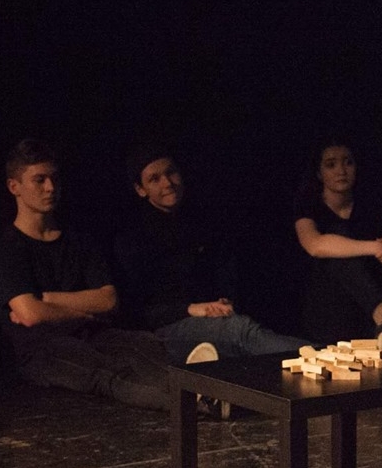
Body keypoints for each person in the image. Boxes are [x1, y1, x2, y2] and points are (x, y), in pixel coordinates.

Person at [0, 139, 202, 412]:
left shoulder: (78, 240)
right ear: (14, 187)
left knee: (147, 346)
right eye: (39, 180)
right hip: (43, 347)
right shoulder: (7, 248)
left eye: (54, 179)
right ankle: (197, 405)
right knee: (105, 371)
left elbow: (108, 300)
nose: (50, 187)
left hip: (94, 333)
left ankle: (207, 391)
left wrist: (48, 300)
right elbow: (30, 315)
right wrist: (82, 312)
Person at [112, 144, 310, 364]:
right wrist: (190, 309)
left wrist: (221, 301)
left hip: (209, 319)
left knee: (255, 317)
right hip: (163, 331)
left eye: (171, 172)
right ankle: (323, 358)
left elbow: (222, 273)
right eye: (154, 179)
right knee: (240, 331)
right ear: (141, 189)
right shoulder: (133, 238)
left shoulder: (201, 222)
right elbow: (135, 310)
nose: (167, 183)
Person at [291, 141, 382, 356]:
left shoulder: (367, 202)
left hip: (372, 294)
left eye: (348, 163)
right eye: (331, 165)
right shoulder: (309, 205)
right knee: (337, 244)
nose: (341, 171)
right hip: (333, 306)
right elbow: (315, 245)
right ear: (319, 173)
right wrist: (376, 247)